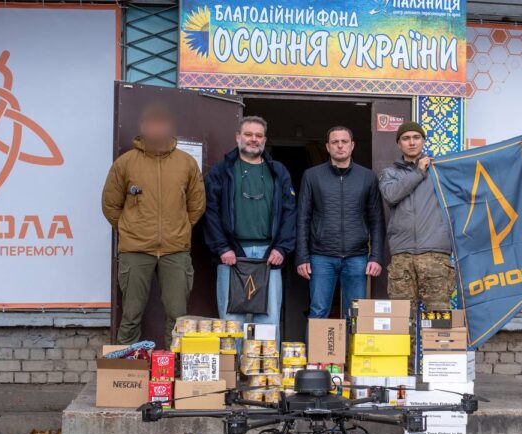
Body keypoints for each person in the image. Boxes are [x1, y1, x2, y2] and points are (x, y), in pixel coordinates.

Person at [379, 121, 522, 311]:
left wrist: (517, 150)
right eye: (406, 138)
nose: (412, 142)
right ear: (399, 144)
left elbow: (482, 169)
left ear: (423, 141)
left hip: (435, 254)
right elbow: (391, 195)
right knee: (401, 319)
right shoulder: (390, 173)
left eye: (416, 137)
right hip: (402, 254)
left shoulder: (441, 170)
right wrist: (419, 171)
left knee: (438, 317)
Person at [102, 104, 206, 343]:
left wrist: (178, 228)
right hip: (135, 250)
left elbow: (197, 205)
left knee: (177, 317)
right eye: (152, 123)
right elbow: (110, 205)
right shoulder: (125, 163)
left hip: (175, 250)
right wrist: (131, 229)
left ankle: (172, 364)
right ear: (143, 127)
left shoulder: (186, 163)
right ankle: (127, 364)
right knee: (131, 315)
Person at [204, 116, 296, 339]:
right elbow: (210, 211)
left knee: (269, 320)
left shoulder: (278, 171)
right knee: (232, 321)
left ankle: (263, 363)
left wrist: (281, 248)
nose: (253, 139)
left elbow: (290, 212)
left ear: (264, 140)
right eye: (248, 134)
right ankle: (234, 363)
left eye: (258, 135)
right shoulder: (222, 170)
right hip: (232, 255)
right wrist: (222, 247)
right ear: (238, 136)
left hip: (269, 255)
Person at [296, 126, 384, 318]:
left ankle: (351, 341)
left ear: (352, 145)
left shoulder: (367, 177)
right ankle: (318, 342)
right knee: (318, 311)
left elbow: (376, 220)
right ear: (328, 147)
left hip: (357, 256)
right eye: (335, 142)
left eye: (344, 141)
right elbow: (303, 218)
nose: (340, 146)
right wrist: (302, 257)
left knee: (356, 314)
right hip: (321, 256)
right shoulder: (312, 176)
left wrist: (376, 256)